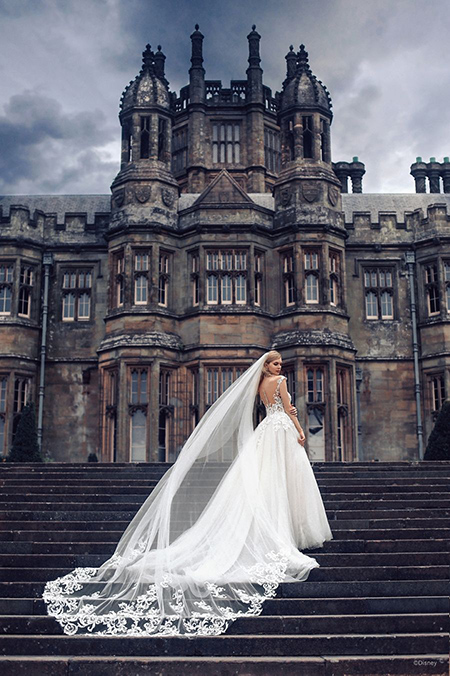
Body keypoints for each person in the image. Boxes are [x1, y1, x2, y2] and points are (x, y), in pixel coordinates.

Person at [43, 351, 332, 637]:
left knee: (268, 479)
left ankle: (279, 529)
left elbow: (269, 408)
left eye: (280, 362)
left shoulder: (259, 386)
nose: (280, 365)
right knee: (280, 478)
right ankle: (283, 532)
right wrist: (298, 428)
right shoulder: (280, 381)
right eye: (275, 362)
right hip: (280, 429)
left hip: (266, 430)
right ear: (268, 366)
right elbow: (288, 410)